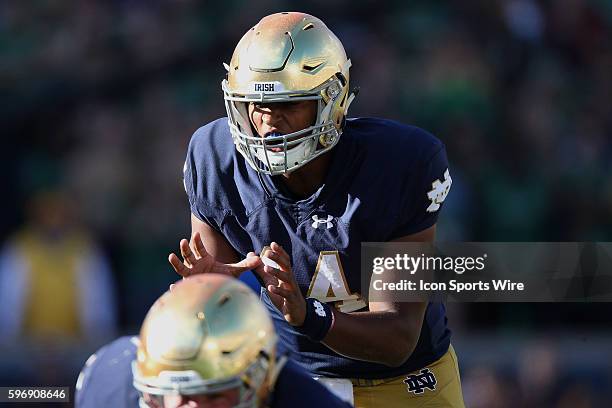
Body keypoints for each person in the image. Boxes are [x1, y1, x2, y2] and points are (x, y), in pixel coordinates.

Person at [172, 12, 464, 407]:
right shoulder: (216, 159)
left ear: (332, 100)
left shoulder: (402, 164)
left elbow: (398, 337)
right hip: (290, 380)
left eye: (289, 104)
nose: (268, 124)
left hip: (407, 382)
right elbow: (219, 319)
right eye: (255, 105)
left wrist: (307, 315)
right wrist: (209, 298)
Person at [75, 274, 352, 407]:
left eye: (213, 395)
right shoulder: (111, 387)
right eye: (180, 395)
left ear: (261, 378)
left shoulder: (305, 401)